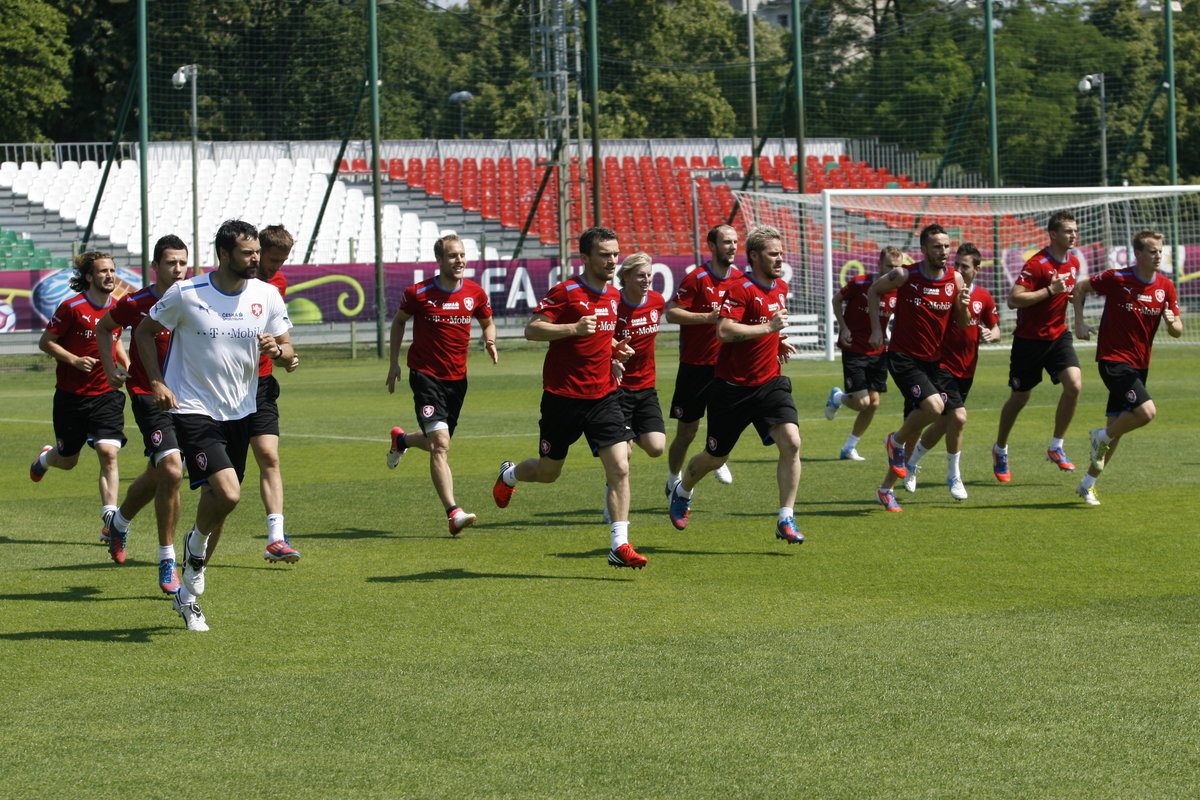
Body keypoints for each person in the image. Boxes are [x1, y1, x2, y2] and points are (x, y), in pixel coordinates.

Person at [136, 219, 292, 632]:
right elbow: (144, 331)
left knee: (219, 506)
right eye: (247, 253)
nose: (256, 258)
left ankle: (188, 594)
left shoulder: (267, 294)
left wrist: (282, 352)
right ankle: (194, 546)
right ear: (224, 255)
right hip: (192, 409)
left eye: (257, 251)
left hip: (240, 411)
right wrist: (155, 380)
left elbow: (288, 349)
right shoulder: (187, 294)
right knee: (228, 492)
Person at [491, 226, 644, 569]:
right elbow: (532, 329)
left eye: (615, 254)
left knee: (620, 465)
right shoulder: (566, 292)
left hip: (603, 396)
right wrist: (572, 328)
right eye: (604, 254)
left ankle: (620, 545)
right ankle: (510, 475)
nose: (612, 260)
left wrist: (615, 352)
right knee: (549, 473)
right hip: (562, 397)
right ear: (586, 258)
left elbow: (600, 339)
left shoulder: (614, 296)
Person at [666, 226, 805, 544]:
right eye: (773, 253)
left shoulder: (779, 286)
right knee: (715, 458)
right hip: (732, 389)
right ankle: (683, 489)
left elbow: (763, 326)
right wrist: (768, 327)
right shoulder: (741, 289)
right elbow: (725, 332)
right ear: (755, 256)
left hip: (770, 382)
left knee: (792, 442)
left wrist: (776, 338)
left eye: (781, 253)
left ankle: (786, 518)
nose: (780, 258)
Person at [386, 233, 498, 534]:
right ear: (439, 260)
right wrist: (394, 362)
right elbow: (398, 321)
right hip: (425, 376)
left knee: (439, 441)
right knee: (441, 445)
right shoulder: (418, 293)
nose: (459, 260)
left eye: (462, 255)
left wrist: (489, 339)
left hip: (457, 381)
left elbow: (487, 321)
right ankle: (453, 511)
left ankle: (402, 441)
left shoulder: (475, 292)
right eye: (452, 256)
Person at [94, 236, 189, 588]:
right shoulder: (138, 301)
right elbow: (105, 328)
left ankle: (118, 523)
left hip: (191, 397)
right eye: (170, 263)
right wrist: (109, 369)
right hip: (147, 392)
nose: (177, 270)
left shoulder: (194, 297)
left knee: (162, 470)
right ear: (156, 266)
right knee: (172, 469)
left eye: (182, 263)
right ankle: (167, 560)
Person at [1070, 230, 1183, 506]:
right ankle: (1100, 436)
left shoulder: (1166, 287)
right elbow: (1080, 287)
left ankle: (1087, 484)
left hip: (1139, 365)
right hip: (1113, 360)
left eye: (1160, 250)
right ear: (1139, 254)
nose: (1158, 255)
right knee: (1146, 412)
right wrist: (1079, 323)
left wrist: (1171, 323)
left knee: (1116, 428)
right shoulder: (1118, 278)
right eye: (1153, 251)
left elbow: (1178, 330)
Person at [29, 251, 129, 546]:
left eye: (112, 270)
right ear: (89, 277)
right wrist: (74, 360)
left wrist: (127, 366)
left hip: (106, 394)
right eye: (102, 271)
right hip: (71, 397)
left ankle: (110, 522)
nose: (109, 276)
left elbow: (117, 339)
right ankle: (47, 458)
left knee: (108, 454)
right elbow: (45, 342)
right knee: (68, 461)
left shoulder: (118, 308)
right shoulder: (72, 307)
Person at [866, 224, 968, 512]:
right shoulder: (905, 275)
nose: (944, 252)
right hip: (904, 358)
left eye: (947, 246)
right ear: (923, 250)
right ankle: (894, 441)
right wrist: (877, 329)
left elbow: (960, 323)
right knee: (933, 410)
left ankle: (886, 489)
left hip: (935, 362)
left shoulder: (955, 279)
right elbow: (874, 291)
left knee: (952, 416)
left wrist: (962, 306)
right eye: (937, 246)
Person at [901, 243, 1000, 501]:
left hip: (967, 369)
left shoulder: (984, 297)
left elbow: (995, 326)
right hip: (942, 365)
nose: (958, 270)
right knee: (959, 416)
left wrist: (993, 333)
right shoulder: (946, 290)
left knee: (946, 422)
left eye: (964, 267)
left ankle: (911, 463)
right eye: (956, 265)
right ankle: (954, 476)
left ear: (976, 270)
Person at [992, 210, 1083, 482]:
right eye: (1067, 230)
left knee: (1074, 385)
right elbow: (1013, 300)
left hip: (1058, 337)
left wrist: (1078, 320)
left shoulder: (1074, 262)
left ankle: (1056, 446)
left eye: (1074, 230)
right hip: (1029, 342)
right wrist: (1049, 291)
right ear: (1053, 234)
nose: (1073, 235)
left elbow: (1071, 295)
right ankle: (1000, 448)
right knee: (1020, 398)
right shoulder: (1037, 264)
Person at [663, 224, 742, 496]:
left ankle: (716, 457)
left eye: (735, 241)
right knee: (687, 432)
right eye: (726, 242)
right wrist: (706, 318)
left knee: (727, 425)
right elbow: (671, 313)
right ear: (712, 246)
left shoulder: (741, 280)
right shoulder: (697, 278)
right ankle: (673, 477)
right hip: (695, 367)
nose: (732, 246)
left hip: (727, 367)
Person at [243, 224, 303, 563]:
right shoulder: (231, 279)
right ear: (256, 252)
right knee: (224, 483)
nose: (276, 267)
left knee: (269, 456)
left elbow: (282, 340)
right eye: (272, 259)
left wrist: (285, 355)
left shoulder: (276, 285)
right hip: (222, 388)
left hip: (261, 383)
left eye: (283, 261)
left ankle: (276, 538)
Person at [824, 246, 903, 461]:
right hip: (855, 348)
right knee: (862, 403)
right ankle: (838, 397)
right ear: (879, 265)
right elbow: (836, 300)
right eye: (889, 267)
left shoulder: (900, 289)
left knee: (874, 403)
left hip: (879, 352)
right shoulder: (859, 283)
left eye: (898, 267)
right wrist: (843, 327)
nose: (894, 271)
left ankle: (849, 447)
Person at [605, 251, 666, 520]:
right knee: (624, 452)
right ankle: (612, 497)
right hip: (617, 386)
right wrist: (613, 357)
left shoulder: (656, 301)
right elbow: (597, 340)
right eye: (641, 275)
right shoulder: (613, 303)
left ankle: (629, 436)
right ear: (626, 276)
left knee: (656, 447)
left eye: (649, 275)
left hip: (647, 386)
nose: (647, 280)